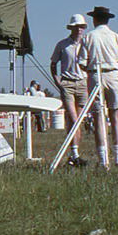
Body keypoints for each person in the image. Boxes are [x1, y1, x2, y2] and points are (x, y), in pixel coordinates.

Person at [77, 6, 118, 169]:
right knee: (115, 117)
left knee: (99, 118)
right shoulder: (116, 37)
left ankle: (103, 160)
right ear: (107, 20)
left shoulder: (88, 37)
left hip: (95, 75)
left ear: (94, 19)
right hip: (113, 75)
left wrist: (91, 68)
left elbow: (81, 62)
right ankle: (117, 158)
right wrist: (114, 67)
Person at [50, 13, 88, 166]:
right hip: (67, 83)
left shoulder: (86, 44)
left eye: (81, 27)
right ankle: (74, 153)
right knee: (73, 118)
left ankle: (74, 153)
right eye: (77, 27)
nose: (79, 30)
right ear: (71, 28)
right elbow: (53, 63)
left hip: (83, 83)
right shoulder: (62, 44)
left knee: (77, 121)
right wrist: (57, 81)